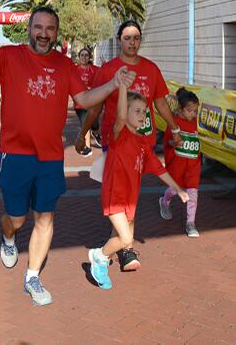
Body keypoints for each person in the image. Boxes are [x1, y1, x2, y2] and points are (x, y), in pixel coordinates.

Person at [0, 6, 134, 306]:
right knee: (16, 220)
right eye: (38, 27)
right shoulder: (9, 56)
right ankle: (9, 237)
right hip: (14, 156)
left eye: (50, 28)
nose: (43, 34)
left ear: (56, 32)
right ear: (30, 29)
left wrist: (113, 85)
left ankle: (32, 277)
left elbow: (83, 98)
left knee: (45, 217)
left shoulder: (64, 65)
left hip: (51, 159)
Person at [75, 19, 183, 271]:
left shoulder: (151, 69)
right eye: (127, 38)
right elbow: (96, 106)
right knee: (121, 195)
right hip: (117, 142)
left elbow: (161, 103)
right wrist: (82, 134)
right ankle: (125, 247)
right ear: (119, 40)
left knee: (130, 195)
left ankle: (123, 244)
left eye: (136, 38)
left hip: (143, 144)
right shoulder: (108, 70)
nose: (132, 42)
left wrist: (174, 127)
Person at [88, 84, 188, 289]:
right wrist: (123, 88)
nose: (142, 115)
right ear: (125, 112)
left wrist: (178, 189)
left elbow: (159, 169)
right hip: (114, 195)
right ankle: (98, 257)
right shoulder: (119, 135)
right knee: (126, 239)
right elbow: (121, 118)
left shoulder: (143, 144)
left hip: (130, 198)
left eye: (144, 112)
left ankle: (102, 260)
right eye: (137, 111)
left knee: (119, 235)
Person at [158, 87, 202, 237]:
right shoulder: (174, 123)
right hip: (177, 164)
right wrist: (173, 142)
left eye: (195, 111)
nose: (193, 114)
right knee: (174, 189)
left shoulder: (196, 122)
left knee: (193, 193)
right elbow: (167, 143)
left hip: (193, 165)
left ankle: (190, 223)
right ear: (181, 109)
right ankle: (164, 201)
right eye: (190, 111)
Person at [74, 48, 100, 156]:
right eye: (82, 55)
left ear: (89, 57)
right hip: (80, 103)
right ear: (79, 57)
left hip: (92, 102)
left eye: (86, 55)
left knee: (94, 124)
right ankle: (87, 147)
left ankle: (96, 133)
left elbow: (106, 72)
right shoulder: (74, 70)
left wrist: (106, 65)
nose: (84, 57)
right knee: (85, 123)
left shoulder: (94, 69)